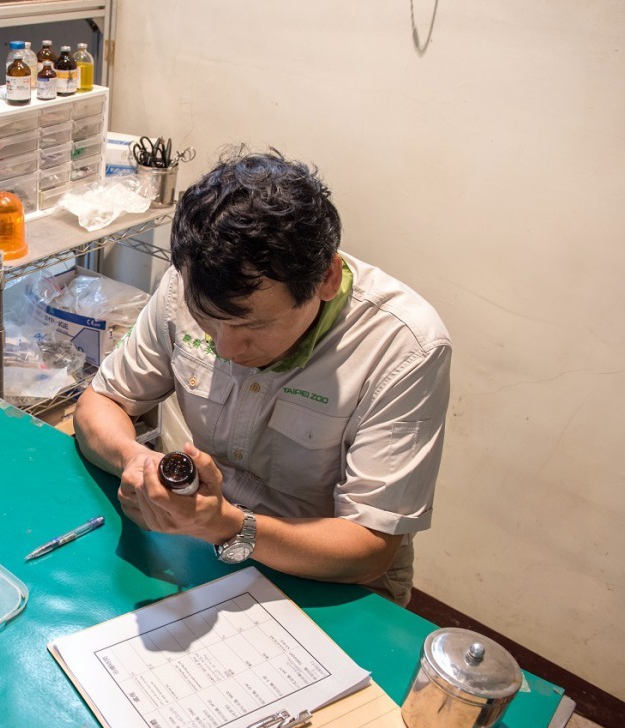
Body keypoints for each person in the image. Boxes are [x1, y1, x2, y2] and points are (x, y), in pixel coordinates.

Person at [74, 149, 450, 606]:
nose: (226, 349)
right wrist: (135, 460)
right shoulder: (187, 282)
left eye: (253, 326)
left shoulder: (404, 346)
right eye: (207, 321)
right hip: (206, 545)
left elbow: (368, 551)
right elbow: (101, 402)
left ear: (326, 279)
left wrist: (229, 525)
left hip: (327, 579)